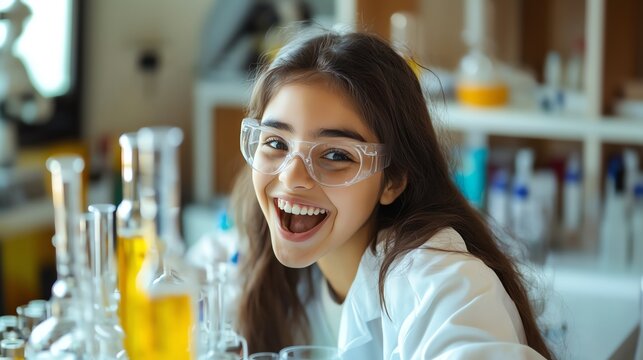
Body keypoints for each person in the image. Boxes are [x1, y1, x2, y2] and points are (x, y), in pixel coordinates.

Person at [230, 29, 552, 359]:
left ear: (393, 180)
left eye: (337, 155)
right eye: (275, 143)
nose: (291, 176)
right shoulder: (260, 261)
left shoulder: (442, 284)